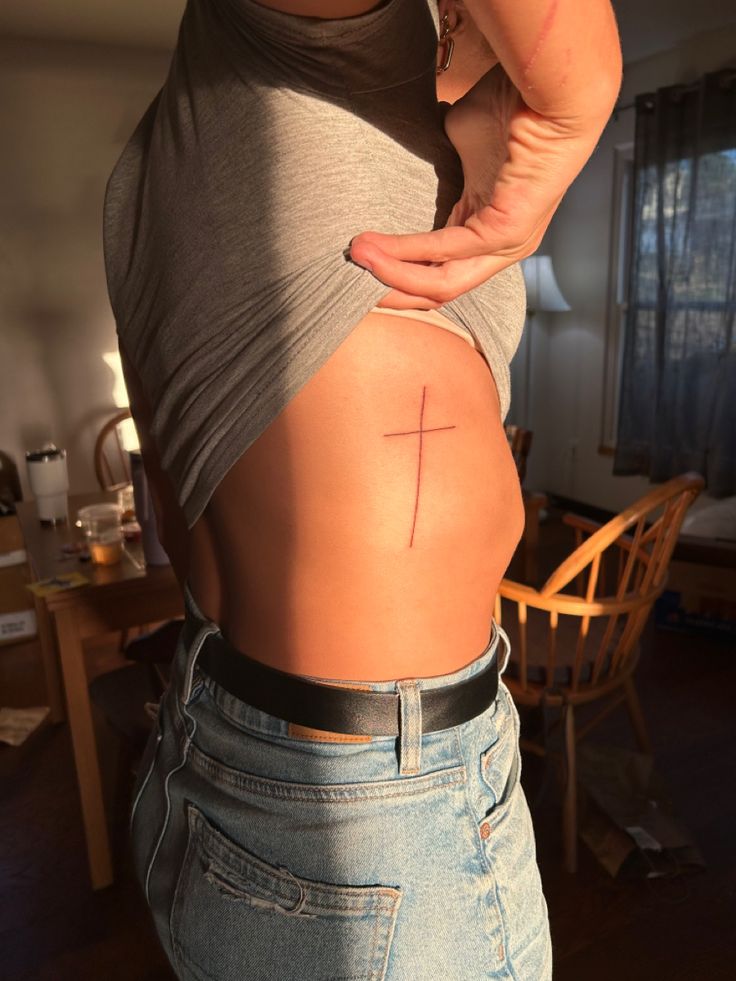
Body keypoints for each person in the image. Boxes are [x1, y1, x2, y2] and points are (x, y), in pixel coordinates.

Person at [103, 0, 621, 977]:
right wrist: (574, 90)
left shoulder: (198, 122)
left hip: (224, 725)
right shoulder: (311, 42)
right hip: (373, 803)